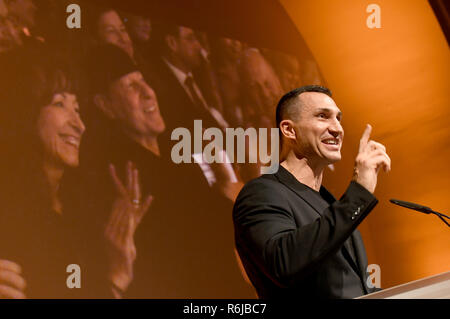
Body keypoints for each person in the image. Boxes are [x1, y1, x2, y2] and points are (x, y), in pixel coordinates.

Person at [0, 52, 150, 298]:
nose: (79, 125)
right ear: (25, 112)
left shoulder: (79, 207)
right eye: (59, 104)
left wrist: (119, 268)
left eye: (77, 108)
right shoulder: (8, 208)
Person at [233, 85, 391, 299]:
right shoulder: (261, 193)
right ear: (289, 130)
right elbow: (283, 263)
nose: (337, 129)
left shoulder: (329, 203)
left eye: (338, 118)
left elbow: (359, 288)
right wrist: (359, 191)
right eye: (322, 116)